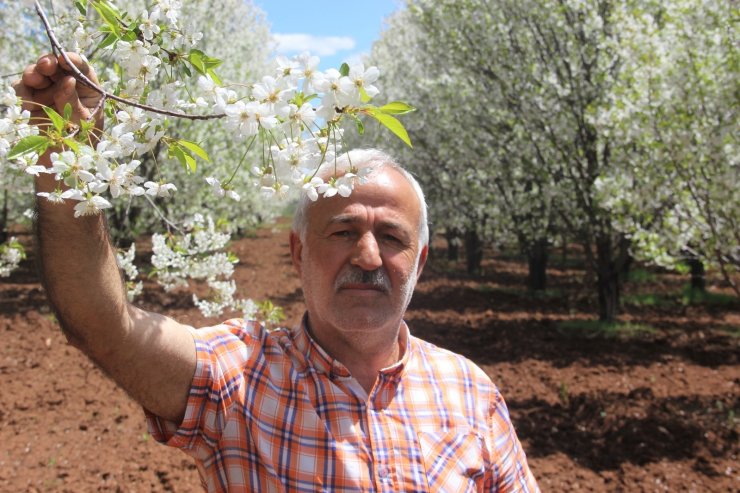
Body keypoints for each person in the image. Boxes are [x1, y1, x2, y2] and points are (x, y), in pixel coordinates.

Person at [15, 53, 540, 492]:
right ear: (298, 252)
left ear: (420, 261)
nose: (368, 257)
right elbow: (103, 324)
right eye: (342, 231)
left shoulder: (469, 392)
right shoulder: (239, 379)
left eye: (393, 237)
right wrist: (68, 157)